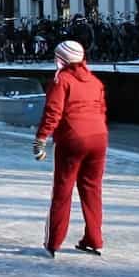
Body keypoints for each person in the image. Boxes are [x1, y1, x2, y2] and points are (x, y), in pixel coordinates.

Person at [33, 39, 108, 257]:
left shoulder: (62, 80)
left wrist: (41, 138)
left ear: (62, 59)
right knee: (92, 189)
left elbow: (53, 112)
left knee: (63, 191)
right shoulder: (95, 81)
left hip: (73, 139)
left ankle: (54, 242)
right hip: (99, 138)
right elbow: (102, 110)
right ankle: (94, 239)